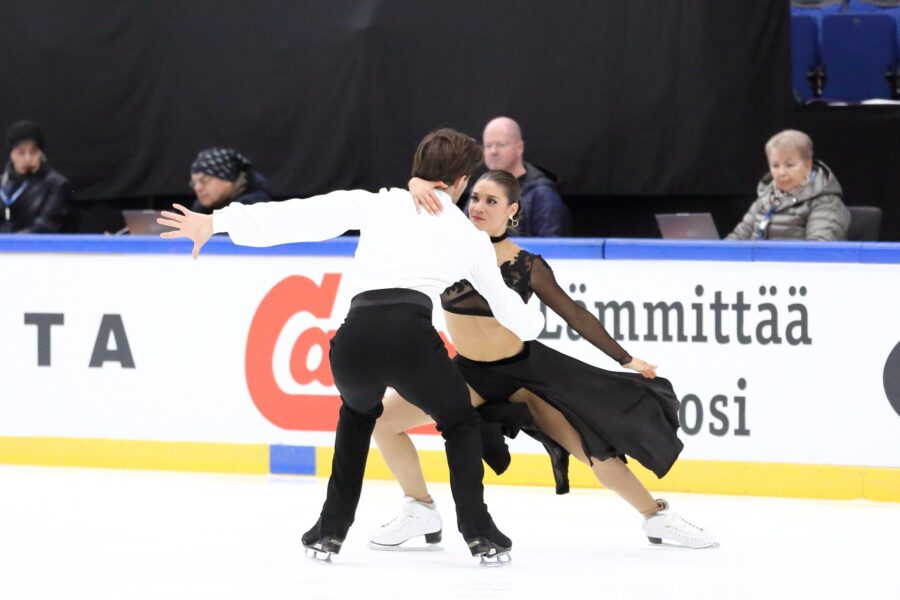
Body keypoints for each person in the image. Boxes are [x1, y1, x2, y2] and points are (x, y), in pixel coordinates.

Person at [157, 129, 544, 565]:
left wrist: (216, 222)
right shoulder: (468, 235)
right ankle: (479, 533)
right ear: (459, 181)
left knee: (357, 417)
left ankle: (328, 532)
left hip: (353, 341)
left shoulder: (377, 203)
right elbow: (511, 310)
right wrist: (536, 321)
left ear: (417, 170)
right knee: (458, 422)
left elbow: (300, 216)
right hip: (411, 339)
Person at [368, 170, 717, 550]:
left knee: (590, 448)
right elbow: (402, 218)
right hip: (468, 374)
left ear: (512, 210)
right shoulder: (447, 250)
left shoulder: (525, 264)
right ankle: (419, 507)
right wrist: (415, 186)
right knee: (383, 420)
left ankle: (655, 516)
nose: (479, 207)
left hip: (525, 377)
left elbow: (575, 314)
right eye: (475, 198)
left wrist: (625, 357)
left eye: (491, 201)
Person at [727, 129, 849, 240]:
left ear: (808, 165)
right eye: (775, 166)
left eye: (789, 165)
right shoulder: (764, 199)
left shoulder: (826, 202)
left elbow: (818, 251)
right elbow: (737, 238)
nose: (781, 172)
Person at [480, 116, 569, 237]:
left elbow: (550, 249)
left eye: (500, 144)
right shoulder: (480, 190)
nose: (493, 151)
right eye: (488, 146)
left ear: (519, 148)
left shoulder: (541, 194)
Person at [0, 120, 70, 233]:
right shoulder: (3, 184)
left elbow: (45, 226)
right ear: (11, 155)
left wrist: (10, 243)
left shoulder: (57, 185)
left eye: (33, 152)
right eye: (21, 153)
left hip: (37, 248)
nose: (28, 159)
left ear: (41, 154)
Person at [189, 147, 271, 214]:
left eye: (204, 181)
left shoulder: (254, 208)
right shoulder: (201, 207)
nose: (197, 188)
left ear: (228, 180)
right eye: (194, 183)